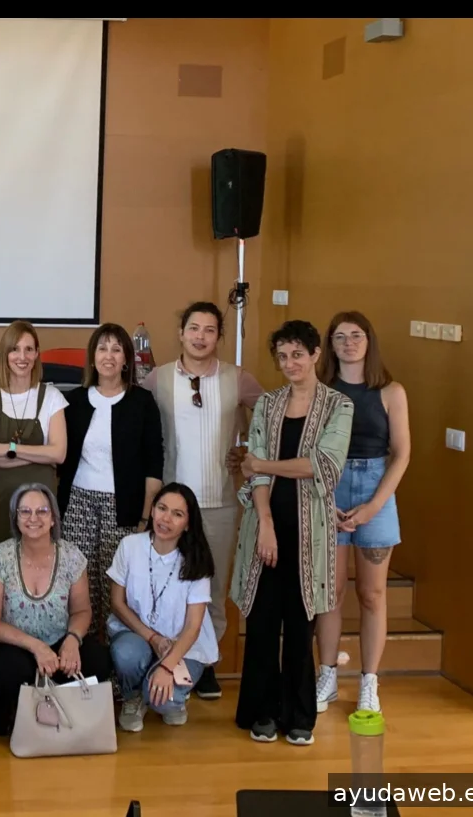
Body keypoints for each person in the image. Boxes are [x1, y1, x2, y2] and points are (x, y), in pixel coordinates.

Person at [230, 320, 353, 746]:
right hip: (266, 523)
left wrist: (262, 464)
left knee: (301, 625)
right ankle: (262, 712)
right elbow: (253, 472)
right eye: (282, 356)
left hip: (310, 530)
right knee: (263, 621)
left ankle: (299, 716)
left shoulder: (338, 406)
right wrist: (264, 523)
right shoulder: (267, 404)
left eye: (298, 354)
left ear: (316, 354)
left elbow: (322, 466)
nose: (290, 363)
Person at [142, 301, 263, 700]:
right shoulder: (158, 379)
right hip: (170, 505)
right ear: (181, 333)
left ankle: (205, 663)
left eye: (209, 330)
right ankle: (165, 659)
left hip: (220, 501)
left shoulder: (237, 378)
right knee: (169, 585)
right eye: (194, 328)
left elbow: (272, 415)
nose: (200, 336)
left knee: (212, 587)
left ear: (219, 337)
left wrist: (249, 453)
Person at [315, 312, 410, 714]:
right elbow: (309, 449)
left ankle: (369, 681)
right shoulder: (319, 389)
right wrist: (324, 496)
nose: (349, 343)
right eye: (340, 337)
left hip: (376, 487)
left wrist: (373, 506)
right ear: (330, 345)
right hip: (330, 488)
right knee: (330, 592)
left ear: (369, 341)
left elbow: (401, 454)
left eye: (356, 336)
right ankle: (327, 676)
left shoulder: (391, 391)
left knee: (372, 594)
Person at [0, 483, 112, 736]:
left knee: (98, 660)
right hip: (17, 644)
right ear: (16, 518)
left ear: (53, 518)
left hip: (60, 641)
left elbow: (82, 611)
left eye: (42, 511)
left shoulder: (72, 556)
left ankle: (65, 715)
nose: (33, 518)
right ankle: (9, 718)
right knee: (7, 670)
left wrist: (72, 640)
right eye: (25, 511)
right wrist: (36, 647)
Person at [59, 322, 164, 636]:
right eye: (102, 348)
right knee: (79, 584)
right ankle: (82, 653)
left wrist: (145, 518)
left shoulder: (142, 402)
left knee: (116, 586)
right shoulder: (74, 401)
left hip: (124, 508)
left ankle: (115, 659)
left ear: (126, 359)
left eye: (116, 349)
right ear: (92, 357)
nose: (109, 356)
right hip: (77, 504)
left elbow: (154, 465)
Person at [108, 483, 218, 732]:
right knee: (127, 654)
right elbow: (117, 603)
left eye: (177, 514)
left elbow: (193, 626)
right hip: (137, 635)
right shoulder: (130, 545)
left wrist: (168, 666)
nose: (166, 519)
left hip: (182, 645)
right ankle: (132, 696)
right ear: (152, 510)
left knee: (164, 701)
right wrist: (153, 638)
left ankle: (171, 696)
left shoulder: (196, 560)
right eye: (162, 508)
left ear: (188, 524)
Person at [0, 320, 68, 552]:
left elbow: (59, 454)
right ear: (5, 354)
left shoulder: (52, 397)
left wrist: (8, 449)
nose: (22, 357)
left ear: (36, 354)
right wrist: (40, 456)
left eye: (28, 349)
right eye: (14, 349)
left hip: (38, 509)